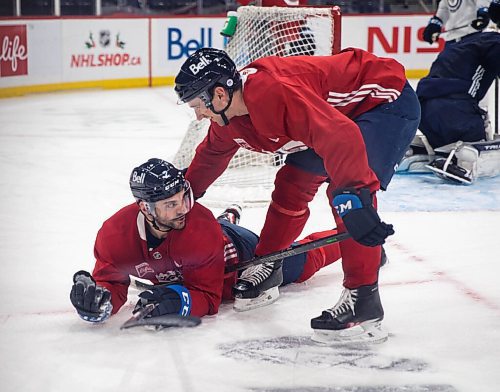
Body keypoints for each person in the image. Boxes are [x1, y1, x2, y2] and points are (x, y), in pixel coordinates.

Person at [174, 47, 420, 343]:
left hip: (382, 104)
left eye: (198, 105)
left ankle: (363, 297)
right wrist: (180, 200)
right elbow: (210, 157)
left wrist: (354, 199)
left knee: (347, 197)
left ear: (220, 95)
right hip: (333, 119)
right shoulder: (230, 119)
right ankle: (269, 262)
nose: (199, 116)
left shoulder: (274, 93)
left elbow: (342, 137)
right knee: (292, 184)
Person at [69, 158, 343, 323]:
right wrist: (100, 299)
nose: (182, 209)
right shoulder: (114, 235)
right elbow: (112, 282)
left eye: (183, 198)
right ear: (144, 208)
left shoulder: (197, 226)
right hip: (197, 256)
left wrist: (180, 301)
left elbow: (210, 298)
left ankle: (352, 244)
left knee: (301, 262)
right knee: (211, 226)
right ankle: (228, 217)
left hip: (239, 257)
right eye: (170, 204)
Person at [403, 1, 500, 184]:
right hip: (456, 113)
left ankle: (424, 151)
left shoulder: (453, 49)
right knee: (481, 134)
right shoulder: (493, 43)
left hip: (422, 113)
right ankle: (465, 157)